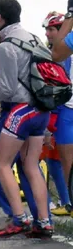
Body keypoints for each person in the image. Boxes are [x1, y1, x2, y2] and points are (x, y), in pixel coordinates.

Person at [0, 0, 51, 238]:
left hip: (20, 111)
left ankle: (19, 218)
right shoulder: (33, 38)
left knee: (1, 163)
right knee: (32, 165)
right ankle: (44, 221)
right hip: (41, 110)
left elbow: (8, 89)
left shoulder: (6, 45)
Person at [42, 11, 73, 211]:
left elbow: (57, 54)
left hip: (67, 108)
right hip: (69, 107)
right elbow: (57, 53)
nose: (47, 34)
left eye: (52, 29)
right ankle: (69, 202)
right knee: (65, 163)